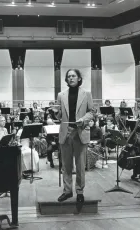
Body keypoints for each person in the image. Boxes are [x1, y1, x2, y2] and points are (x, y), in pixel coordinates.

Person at [52, 68, 95, 203]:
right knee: (66, 165)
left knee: (80, 165)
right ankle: (67, 191)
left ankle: (80, 191)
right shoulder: (61, 95)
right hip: (66, 131)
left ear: (79, 78)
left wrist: (84, 119)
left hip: (80, 131)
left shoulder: (86, 94)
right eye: (68, 76)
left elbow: (92, 112)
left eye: (73, 76)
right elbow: (59, 116)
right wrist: (55, 112)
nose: (71, 78)